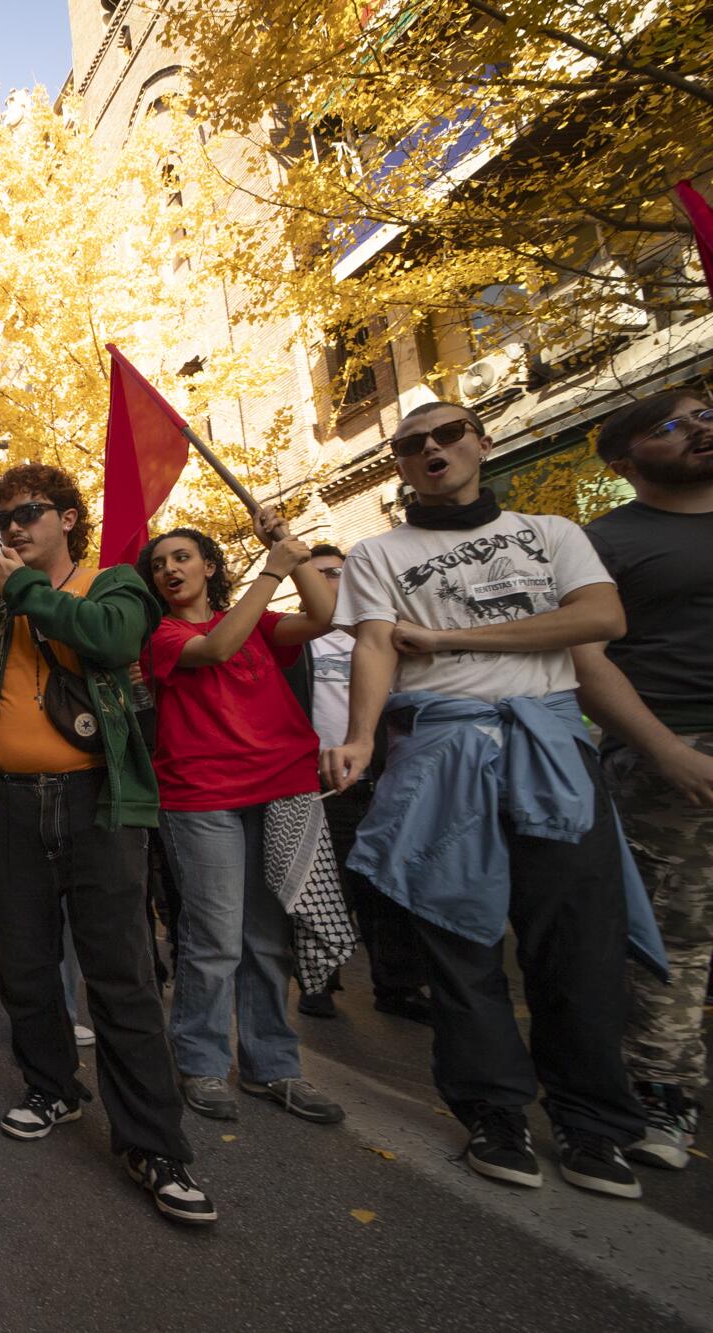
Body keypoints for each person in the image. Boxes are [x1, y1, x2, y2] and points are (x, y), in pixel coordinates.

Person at [323, 399, 657, 1200]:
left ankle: (591, 1121)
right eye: (412, 443)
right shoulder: (377, 553)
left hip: (551, 750)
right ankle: (493, 1113)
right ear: (401, 464)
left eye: (447, 433)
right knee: (459, 940)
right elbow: (374, 645)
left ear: (481, 440)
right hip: (442, 755)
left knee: (576, 942)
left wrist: (450, 639)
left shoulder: (553, 533)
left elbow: (599, 616)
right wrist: (360, 736)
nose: (431, 449)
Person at [0, 464, 212, 1223]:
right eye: (3, 519)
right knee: (25, 964)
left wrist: (21, 588)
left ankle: (154, 1144)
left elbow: (111, 637)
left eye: (27, 513)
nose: (13, 528)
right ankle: (53, 1087)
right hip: (7, 806)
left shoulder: (114, 583)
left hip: (98, 804)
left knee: (120, 975)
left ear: (67, 518)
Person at [138, 520, 347, 1129]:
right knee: (216, 937)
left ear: (209, 566)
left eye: (183, 557)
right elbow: (217, 649)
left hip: (280, 788)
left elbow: (327, 615)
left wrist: (291, 548)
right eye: (159, 565)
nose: (170, 570)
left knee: (267, 937)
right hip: (202, 798)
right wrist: (274, 569)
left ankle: (272, 1067)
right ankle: (201, 1063)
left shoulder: (257, 618)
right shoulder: (163, 635)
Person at [574, 391, 713, 1172]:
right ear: (626, 464)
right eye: (671, 425)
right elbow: (584, 659)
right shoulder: (604, 544)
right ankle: (663, 1090)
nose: (699, 428)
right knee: (674, 935)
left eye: (703, 413)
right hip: (675, 756)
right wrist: (663, 749)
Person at [282, 545, 432, 1024]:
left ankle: (399, 987)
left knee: (389, 891)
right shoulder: (296, 645)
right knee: (327, 891)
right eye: (320, 573)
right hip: (322, 788)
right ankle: (318, 982)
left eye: (338, 572)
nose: (333, 580)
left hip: (387, 782)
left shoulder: (384, 637)